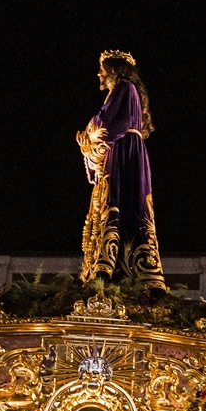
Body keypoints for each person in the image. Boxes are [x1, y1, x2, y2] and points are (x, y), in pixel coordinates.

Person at [77, 49, 165, 290]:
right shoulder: (125, 90)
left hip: (124, 150)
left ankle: (111, 264)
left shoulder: (124, 88)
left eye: (103, 69)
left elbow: (109, 126)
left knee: (121, 201)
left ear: (113, 70)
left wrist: (90, 134)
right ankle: (113, 263)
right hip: (124, 150)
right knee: (121, 202)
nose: (99, 73)